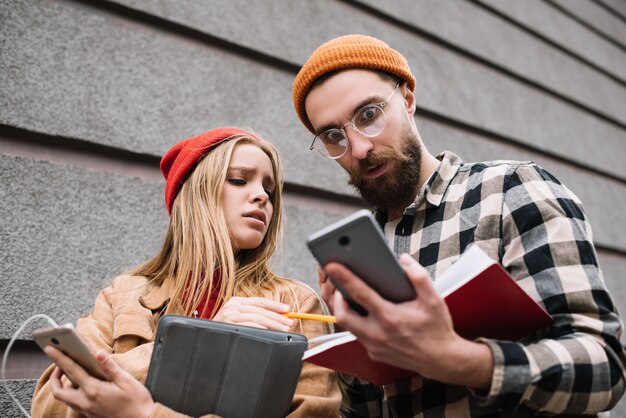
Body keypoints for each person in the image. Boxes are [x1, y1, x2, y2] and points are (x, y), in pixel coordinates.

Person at [291, 34, 626, 417]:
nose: (359, 148)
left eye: (368, 115)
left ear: (408, 100)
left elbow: (604, 369)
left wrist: (459, 359)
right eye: (333, 136)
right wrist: (352, 345)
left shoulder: (512, 190)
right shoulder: (362, 255)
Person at [31, 127, 341, 417]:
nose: (262, 196)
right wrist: (194, 345)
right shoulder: (124, 295)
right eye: (238, 179)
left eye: (269, 190)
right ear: (195, 195)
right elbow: (50, 401)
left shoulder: (294, 304)